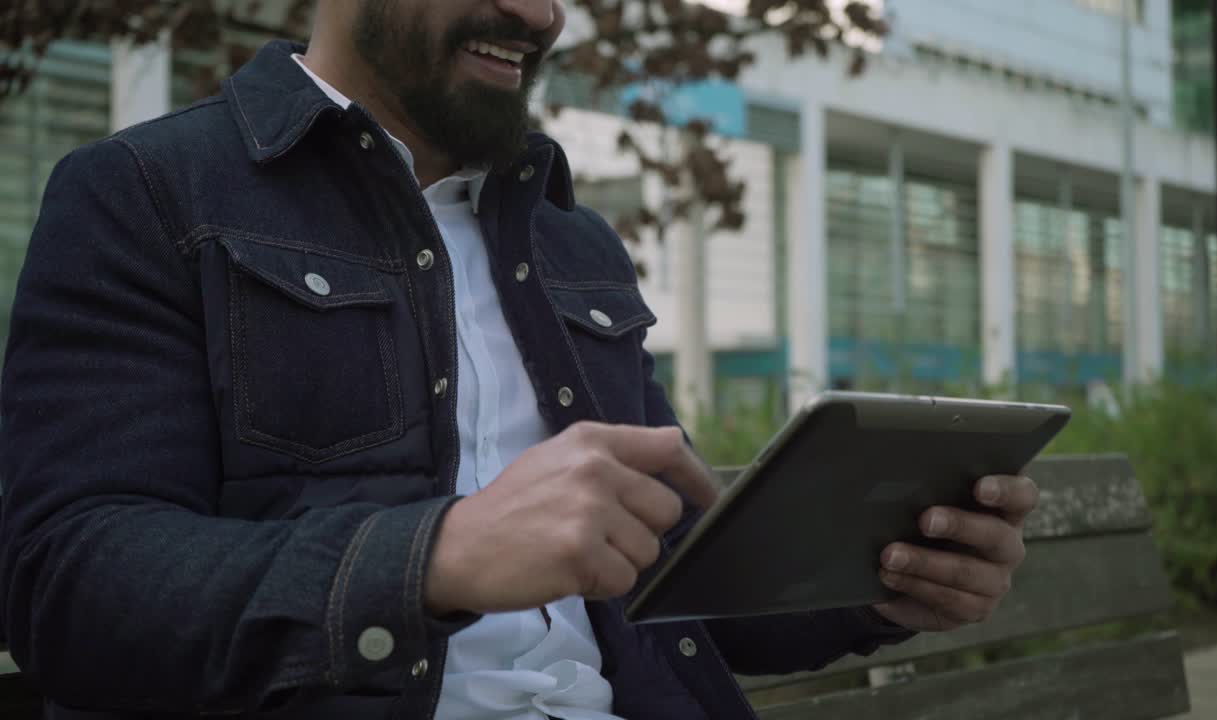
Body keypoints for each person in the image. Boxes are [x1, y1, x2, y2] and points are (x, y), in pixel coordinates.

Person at [0, 1, 1039, 718]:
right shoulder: (143, 195)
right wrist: (430, 558)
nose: (541, 15)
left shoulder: (568, 241)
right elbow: (68, 586)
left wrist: (876, 583)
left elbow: (664, 589)